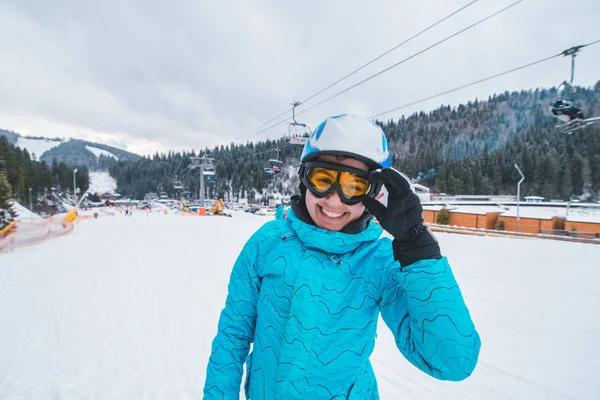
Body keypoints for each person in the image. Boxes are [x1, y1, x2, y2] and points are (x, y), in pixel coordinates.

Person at [204, 114, 481, 399]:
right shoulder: (268, 243)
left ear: (374, 192)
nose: (334, 200)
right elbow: (233, 336)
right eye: (323, 179)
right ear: (304, 179)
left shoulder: (380, 260)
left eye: (354, 186)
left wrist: (416, 245)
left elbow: (452, 361)